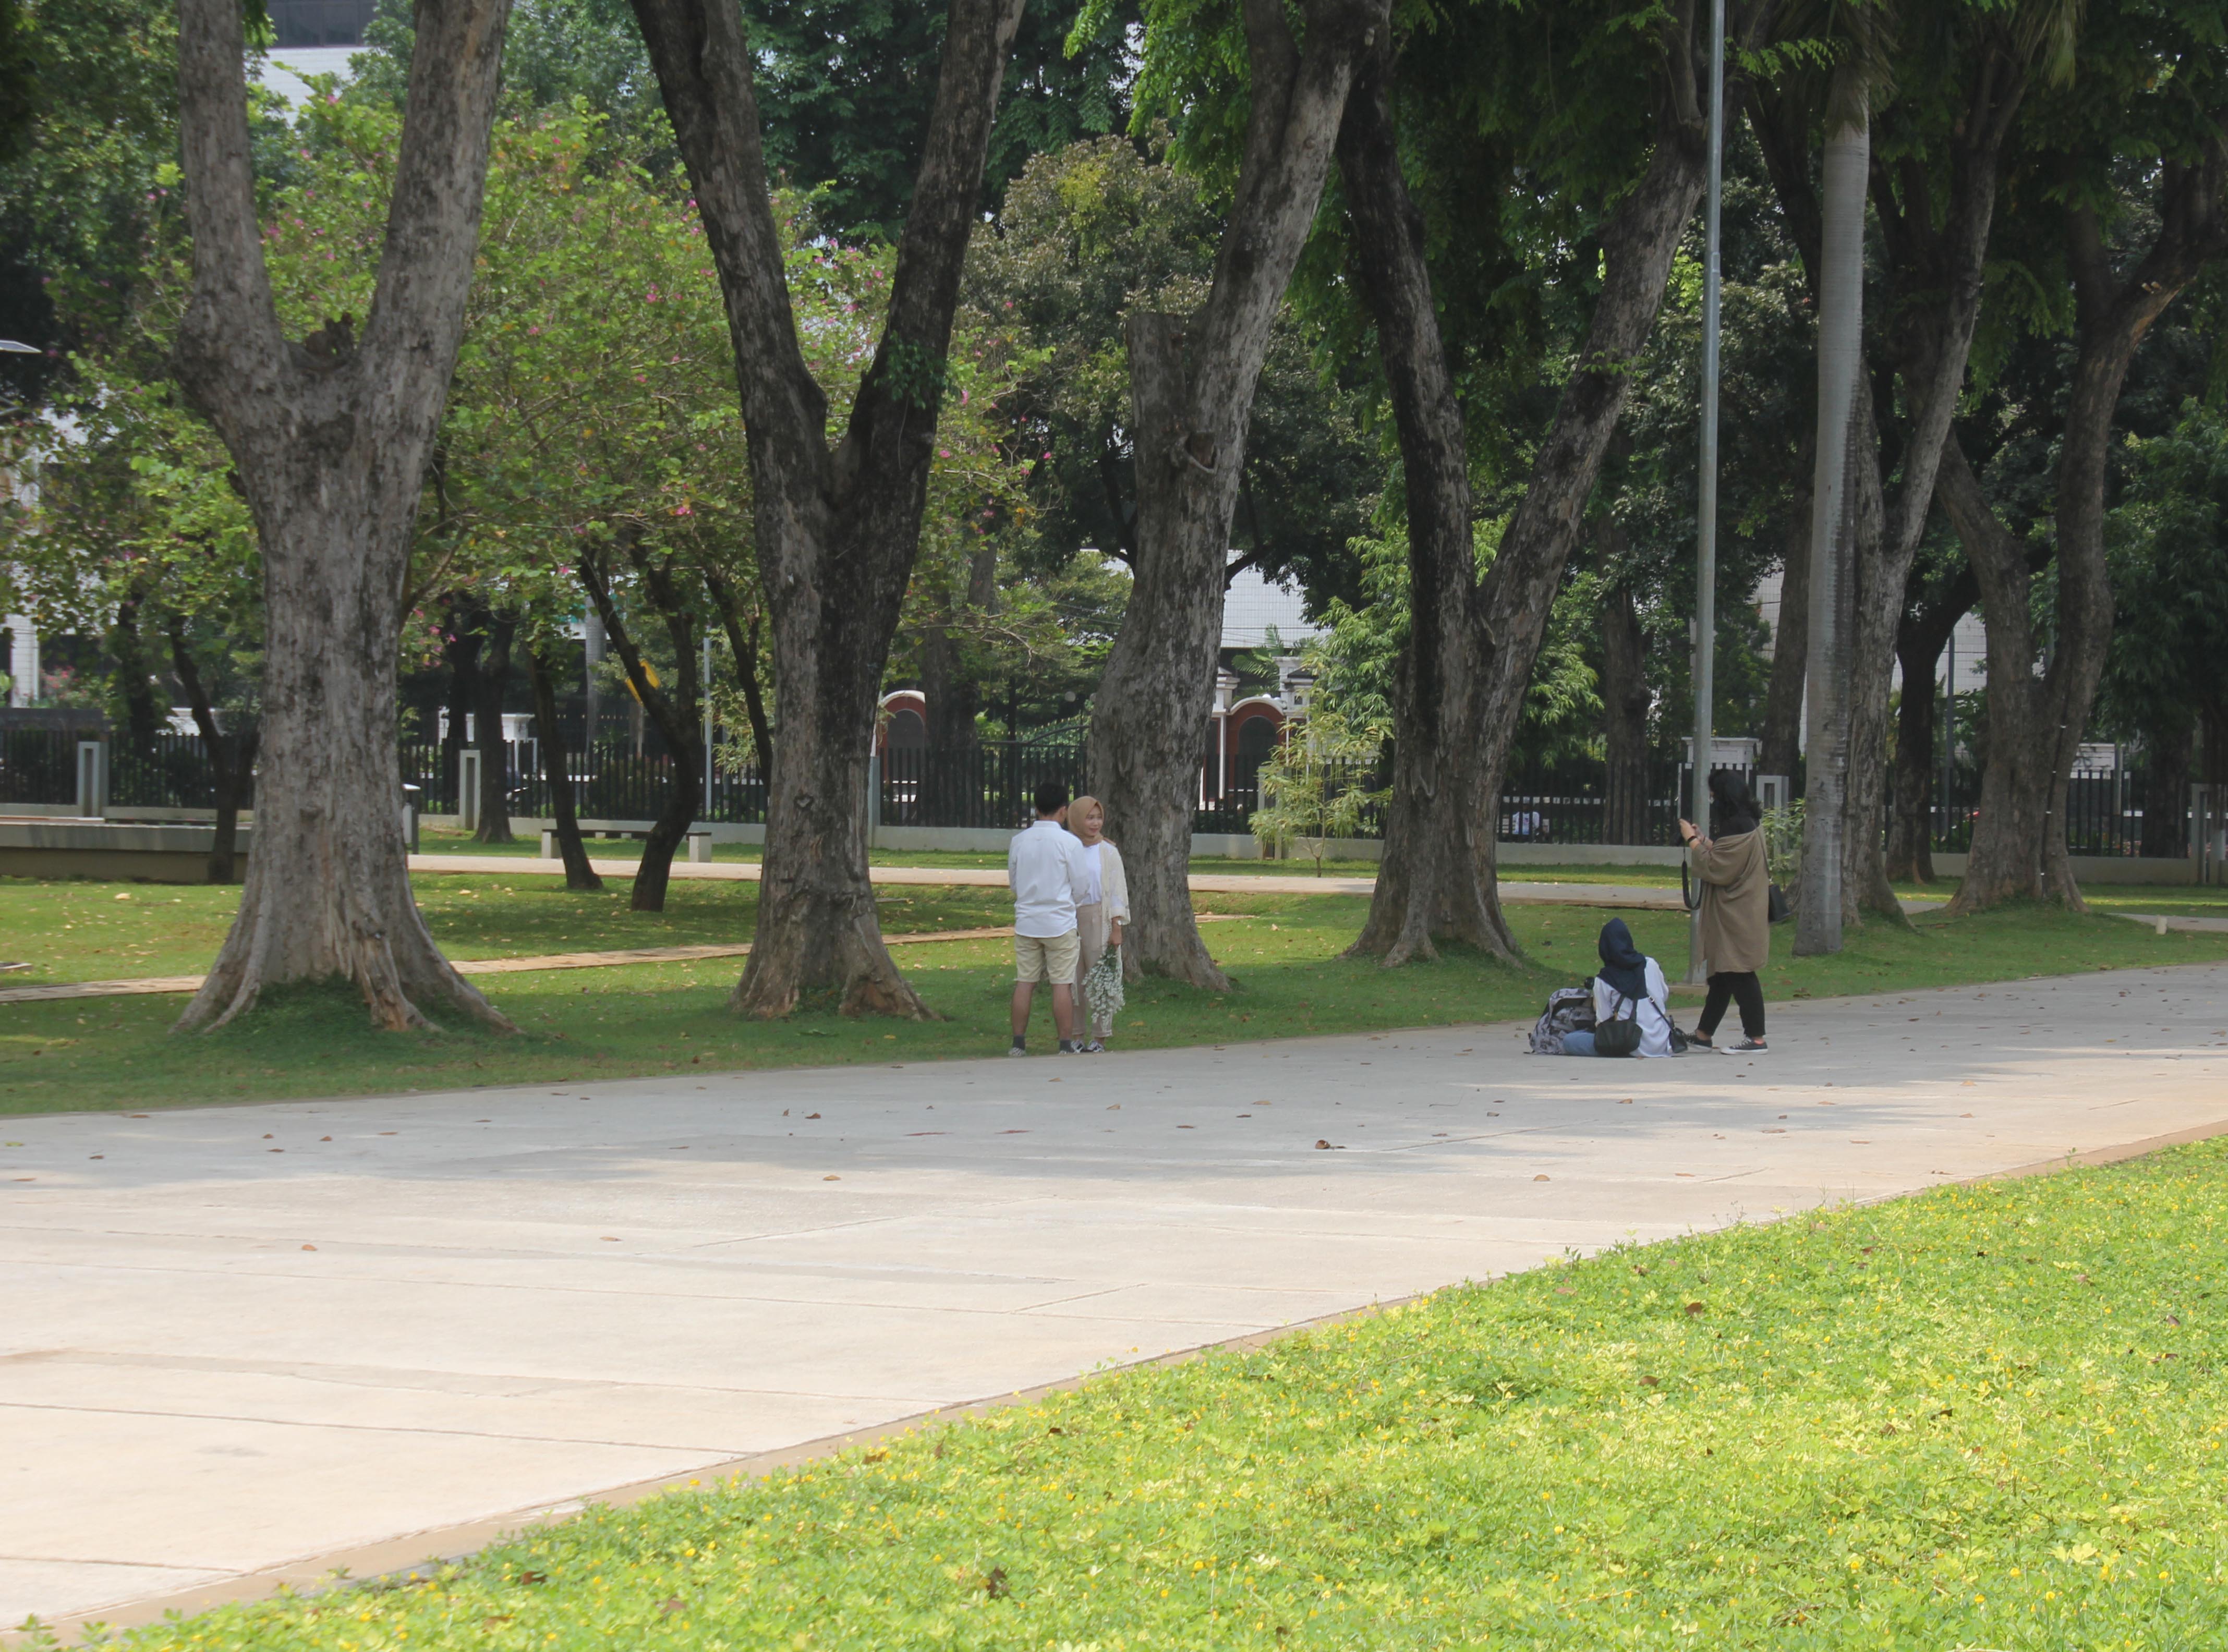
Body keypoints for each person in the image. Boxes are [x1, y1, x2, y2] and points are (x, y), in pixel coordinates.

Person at [1680, 768, 1770, 1053]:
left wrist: (1691, 841)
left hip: (1737, 913)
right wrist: (1705, 840)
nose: (1712, 799)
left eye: (1714, 794)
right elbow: (1727, 856)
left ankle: (1757, 1038)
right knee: (1721, 974)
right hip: (1742, 910)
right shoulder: (1748, 821)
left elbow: (1718, 868)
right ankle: (1703, 1035)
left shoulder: (1737, 825)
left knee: (1739, 971)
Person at [1007, 780, 1090, 1056]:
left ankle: (1018, 1043)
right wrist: (1068, 904)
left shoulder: (1019, 841)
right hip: (1060, 922)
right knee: (1062, 984)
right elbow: (1081, 886)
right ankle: (1065, 1043)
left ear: (1037, 808)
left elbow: (1015, 883)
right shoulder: (1070, 843)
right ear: (1063, 810)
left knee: (1025, 982)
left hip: (1027, 921)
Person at [1559, 917, 1676, 1058]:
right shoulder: (1650, 964)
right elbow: (1664, 995)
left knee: (1570, 1040)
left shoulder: (1604, 980)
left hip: (1629, 1045)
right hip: (1662, 1043)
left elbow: (1604, 1022)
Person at [1066, 794, 1130, 1053]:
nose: (1095, 823)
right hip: (1070, 917)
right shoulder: (1068, 847)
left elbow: (1117, 891)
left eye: (1098, 818)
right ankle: (1075, 1035)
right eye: (1089, 818)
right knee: (1073, 978)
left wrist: (1116, 926)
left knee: (1101, 977)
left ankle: (1100, 1036)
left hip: (1099, 916)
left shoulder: (1108, 851)